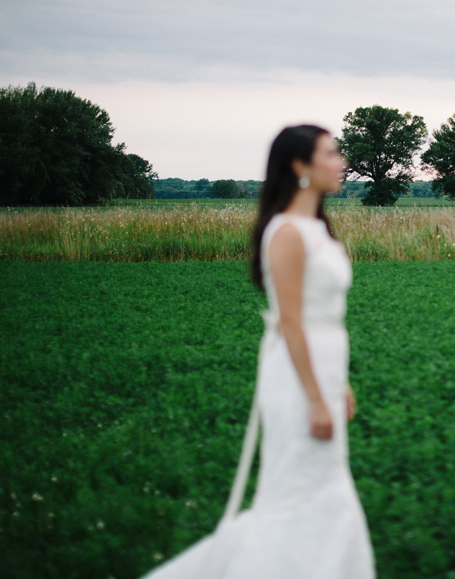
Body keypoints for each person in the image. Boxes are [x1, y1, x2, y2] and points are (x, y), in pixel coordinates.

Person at [143, 125, 375, 579]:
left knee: (323, 487)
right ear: (299, 166)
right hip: (295, 377)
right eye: (330, 153)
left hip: (324, 367)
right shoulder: (286, 232)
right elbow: (291, 321)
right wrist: (313, 396)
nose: (341, 161)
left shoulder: (317, 229)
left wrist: (337, 384)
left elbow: (322, 315)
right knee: (297, 492)